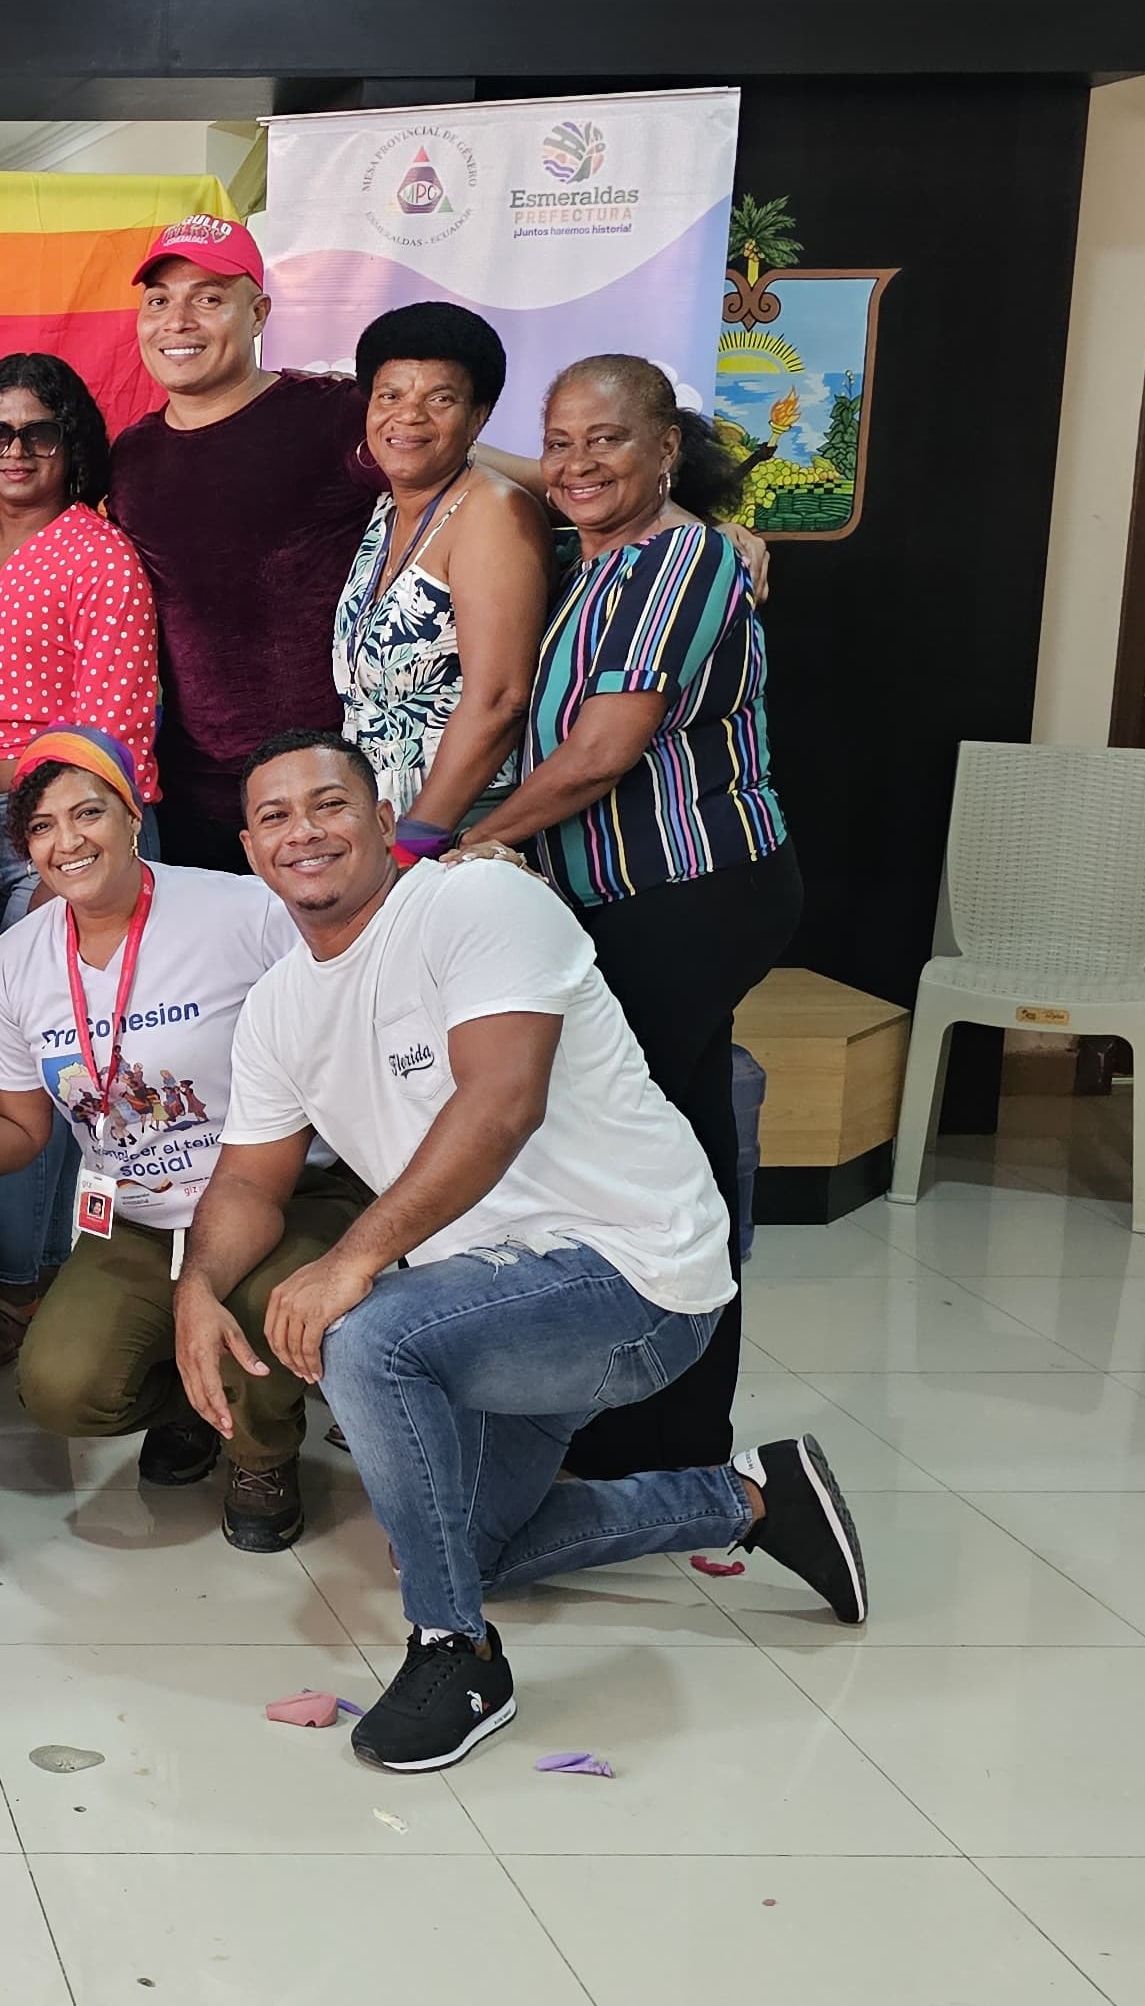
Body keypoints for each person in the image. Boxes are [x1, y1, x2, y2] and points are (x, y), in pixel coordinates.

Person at [172, 732, 861, 1770]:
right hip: (489, 1297)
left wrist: (353, 1259)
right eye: (274, 816)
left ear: (382, 818)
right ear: (249, 848)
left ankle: (456, 1655)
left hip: (632, 1274)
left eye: (329, 804)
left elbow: (501, 1102)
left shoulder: (473, 904)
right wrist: (197, 1287)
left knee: (367, 1335)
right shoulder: (280, 1005)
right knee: (465, 1544)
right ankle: (756, 1497)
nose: (303, 831)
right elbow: (245, 1183)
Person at [450, 353, 799, 1479]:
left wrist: (463, 845)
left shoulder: (680, 559)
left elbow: (601, 755)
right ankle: (673, 1437)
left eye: (608, 439)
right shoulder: (594, 553)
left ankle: (644, 1429)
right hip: (628, 900)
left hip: (688, 893)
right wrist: (500, 451)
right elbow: (546, 475)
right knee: (684, 1156)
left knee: (627, 1160)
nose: (576, 464)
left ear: (668, 451)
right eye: (560, 440)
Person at [0, 728, 351, 1547]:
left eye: (89, 813)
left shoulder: (243, 912)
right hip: (137, 1216)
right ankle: (194, 1401)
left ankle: (262, 1453)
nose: (67, 841)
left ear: (133, 816)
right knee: (62, 1386)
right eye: (41, 826)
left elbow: (350, 1008)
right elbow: (22, 1127)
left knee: (254, 1303)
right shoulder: (17, 962)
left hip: (283, 1192)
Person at [106, 215, 382, 871]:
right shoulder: (131, 455)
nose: (178, 322)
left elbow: (457, 467)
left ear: (257, 313)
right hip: (193, 797)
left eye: (208, 298)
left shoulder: (329, 413)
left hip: (326, 790)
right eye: (159, 301)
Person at [0, 353, 155, 945]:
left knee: (58, 993)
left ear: (71, 443)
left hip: (62, 828)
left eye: (38, 433)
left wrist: (64, 852)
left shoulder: (100, 554)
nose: (15, 451)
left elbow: (115, 728)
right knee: (2, 994)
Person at [334, 302, 551, 848]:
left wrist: (417, 841)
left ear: (478, 418)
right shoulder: (386, 512)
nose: (408, 416)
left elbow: (499, 700)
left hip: (458, 826)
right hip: (381, 824)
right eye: (390, 396)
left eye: (440, 399)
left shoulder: (493, 512)